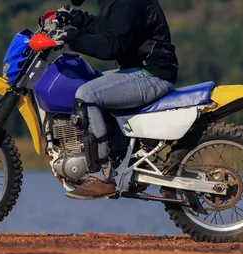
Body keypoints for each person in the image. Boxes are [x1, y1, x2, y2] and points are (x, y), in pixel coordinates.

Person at [51, 0, 179, 200]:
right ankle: (120, 157)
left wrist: (72, 38)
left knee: (88, 95)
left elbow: (111, 46)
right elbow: (108, 28)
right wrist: (76, 19)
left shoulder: (127, 3)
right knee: (92, 83)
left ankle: (103, 176)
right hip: (139, 70)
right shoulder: (116, 2)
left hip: (152, 74)